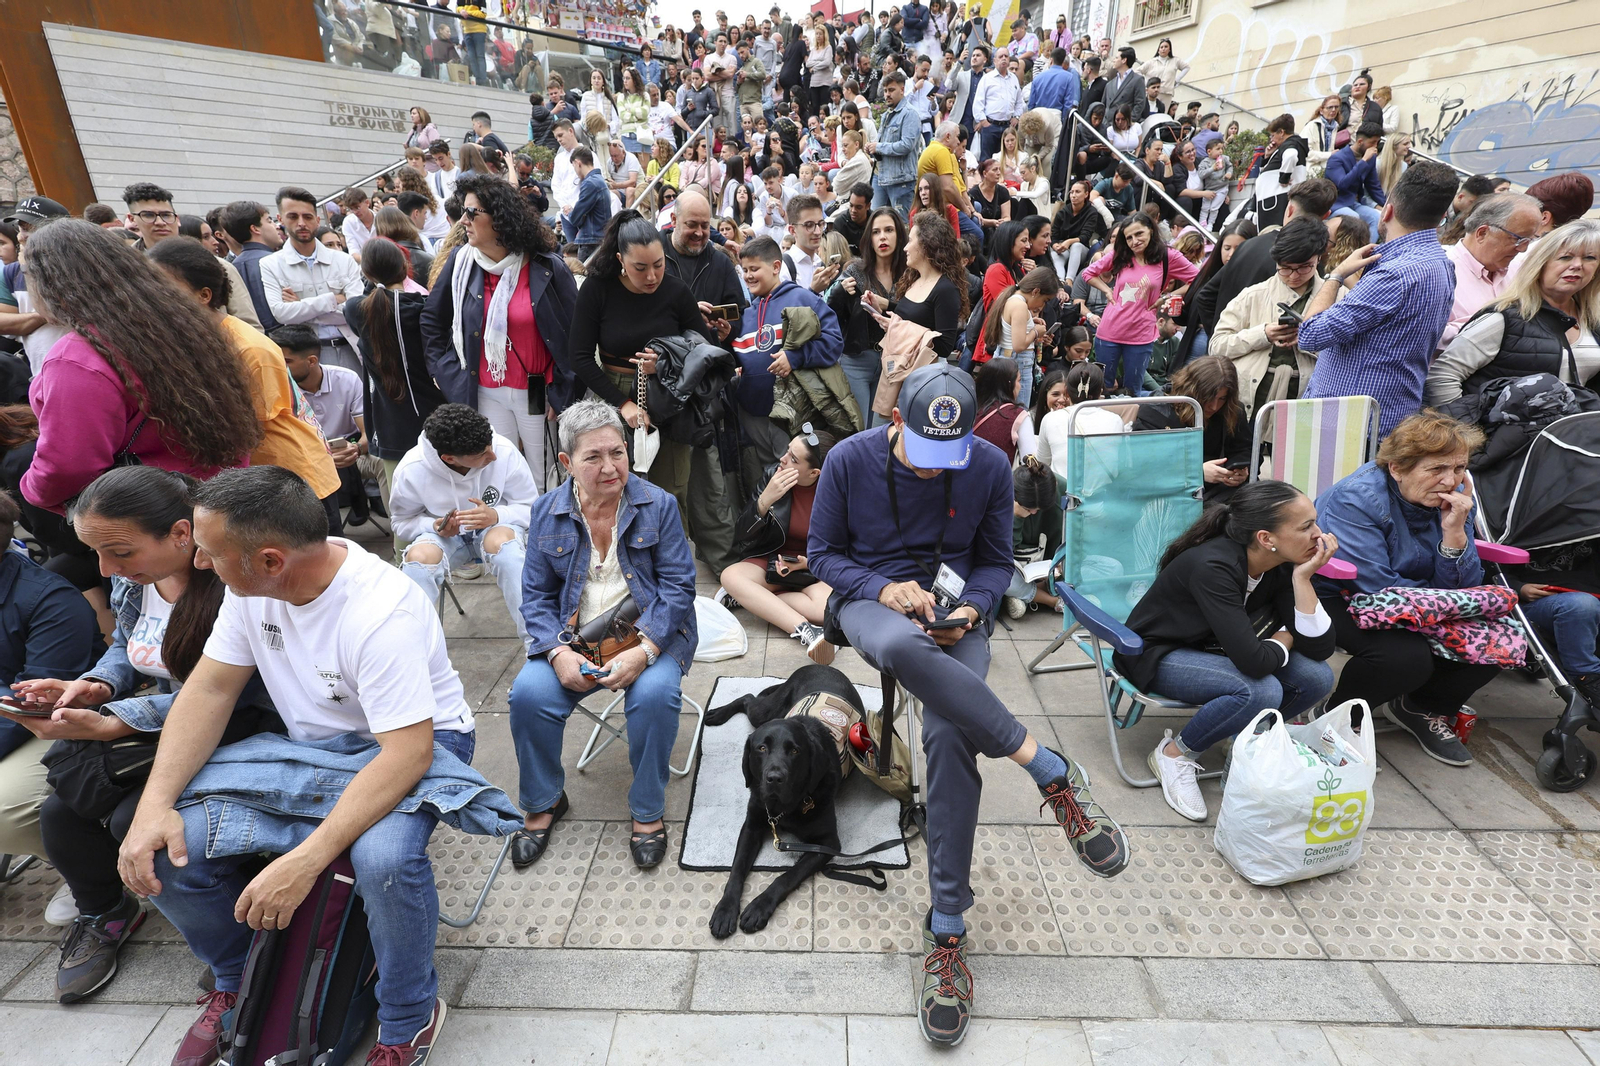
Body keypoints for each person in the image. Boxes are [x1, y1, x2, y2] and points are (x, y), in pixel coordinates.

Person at [117, 466, 486, 1066]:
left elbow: (408, 754)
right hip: (311, 749)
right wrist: (154, 808)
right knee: (161, 847)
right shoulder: (249, 590)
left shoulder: (378, 613)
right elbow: (208, 692)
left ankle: (409, 1015)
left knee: (384, 858)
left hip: (414, 742)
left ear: (269, 560)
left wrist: (306, 861)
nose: (202, 564)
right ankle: (245, 981)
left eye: (210, 552)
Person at [807, 362, 1128, 1048]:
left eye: (944, 459)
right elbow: (822, 555)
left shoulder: (985, 462)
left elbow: (993, 561)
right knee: (897, 646)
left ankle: (946, 930)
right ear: (896, 422)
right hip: (869, 604)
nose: (933, 471)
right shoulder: (847, 459)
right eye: (923, 454)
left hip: (955, 614)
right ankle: (1044, 765)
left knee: (951, 733)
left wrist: (975, 608)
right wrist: (881, 587)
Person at [17, 469, 277, 1001]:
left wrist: (119, 720)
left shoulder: (234, 584)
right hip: (159, 718)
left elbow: (232, 692)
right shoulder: (135, 580)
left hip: (239, 726)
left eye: (121, 552)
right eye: (97, 554)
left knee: (131, 820)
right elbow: (129, 647)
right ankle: (106, 910)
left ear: (183, 535)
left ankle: (240, 923)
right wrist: (94, 685)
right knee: (60, 813)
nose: (107, 569)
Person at [507, 400, 696, 871]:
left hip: (652, 634)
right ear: (567, 463)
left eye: (618, 453)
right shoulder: (546, 511)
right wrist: (556, 652)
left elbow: (679, 588)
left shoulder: (659, 505)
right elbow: (534, 596)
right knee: (528, 695)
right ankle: (544, 800)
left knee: (653, 696)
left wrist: (646, 651)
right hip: (576, 637)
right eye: (594, 457)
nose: (611, 467)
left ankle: (648, 811)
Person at [1118, 479, 1338, 820]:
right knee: (1258, 689)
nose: (1319, 535)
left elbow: (1321, 647)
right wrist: (1285, 634)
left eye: (1316, 522)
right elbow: (1254, 661)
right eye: (1306, 526)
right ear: (1267, 539)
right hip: (1158, 653)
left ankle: (1244, 738)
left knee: (1316, 677)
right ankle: (1175, 754)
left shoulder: (1281, 565)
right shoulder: (1214, 567)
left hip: (1216, 648)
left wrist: (1303, 580)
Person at [19, 221, 259, 517]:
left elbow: (69, 465)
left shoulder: (79, 357)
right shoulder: (183, 324)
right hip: (218, 502)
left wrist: (28, 486)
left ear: (46, 282)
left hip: (150, 519)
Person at [1314, 413, 1502, 767]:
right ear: (1398, 468)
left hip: (1423, 599)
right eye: (1437, 469)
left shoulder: (1458, 500)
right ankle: (1337, 716)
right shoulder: (1357, 498)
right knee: (1405, 657)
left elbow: (1467, 585)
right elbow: (1375, 586)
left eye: (1460, 467)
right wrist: (1445, 603)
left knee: (1496, 642)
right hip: (1339, 592)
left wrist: (1454, 533)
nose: (1451, 480)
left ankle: (1420, 706)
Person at [147, 239, 345, 528]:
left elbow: (246, 429)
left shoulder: (249, 349)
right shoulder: (192, 341)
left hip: (293, 481)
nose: (154, 298)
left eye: (165, 288)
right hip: (257, 482)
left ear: (203, 294)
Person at [420, 173, 578, 492]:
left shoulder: (546, 265)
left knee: (542, 472)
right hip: (484, 390)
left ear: (499, 219)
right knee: (499, 471)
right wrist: (446, 372)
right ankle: (510, 534)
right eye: (462, 211)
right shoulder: (461, 263)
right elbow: (432, 322)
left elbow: (574, 333)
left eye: (471, 212)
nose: (463, 220)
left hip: (536, 390)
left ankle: (545, 536)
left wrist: (561, 389)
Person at [1300, 162, 1461, 436]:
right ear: (1443, 215)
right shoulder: (1442, 264)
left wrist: (1336, 275)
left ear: (1388, 210)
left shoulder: (1394, 274)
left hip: (1348, 429)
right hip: (1388, 417)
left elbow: (1310, 334)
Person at [0, 490, 101, 910]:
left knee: (5, 807)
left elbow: (33, 706)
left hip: (57, 721)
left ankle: (88, 866)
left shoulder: (48, 599)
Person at [658, 189, 748, 575]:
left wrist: (727, 328)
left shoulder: (720, 261)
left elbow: (739, 315)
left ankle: (720, 559)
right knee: (667, 480)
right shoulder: (654, 255)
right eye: (691, 225)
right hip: (661, 382)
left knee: (709, 475)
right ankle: (671, 562)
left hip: (705, 386)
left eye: (705, 226)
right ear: (673, 221)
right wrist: (684, 314)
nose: (699, 233)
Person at [393, 403, 535, 641]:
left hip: (494, 530)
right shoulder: (412, 468)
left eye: (490, 446)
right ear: (449, 458)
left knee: (506, 548)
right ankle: (411, 650)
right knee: (417, 561)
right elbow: (401, 522)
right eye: (482, 455)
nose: (493, 455)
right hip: (443, 539)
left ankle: (538, 643)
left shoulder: (504, 450)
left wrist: (497, 515)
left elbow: (531, 507)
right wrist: (434, 526)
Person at [1427, 217, 1600, 407]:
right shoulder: (1504, 317)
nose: (1577, 265)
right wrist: (1467, 428)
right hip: (1503, 434)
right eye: (1565, 257)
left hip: (1570, 433)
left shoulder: (1593, 320)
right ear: (1540, 264)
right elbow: (1442, 376)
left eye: (1589, 258)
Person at [728, 234, 844, 485]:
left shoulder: (802, 298)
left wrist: (795, 357)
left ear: (776, 267)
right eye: (744, 269)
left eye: (755, 268)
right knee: (766, 481)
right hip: (754, 415)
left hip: (792, 419)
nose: (748, 275)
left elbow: (834, 342)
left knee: (794, 479)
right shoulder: (747, 313)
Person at [719, 428, 839, 662]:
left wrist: (809, 564)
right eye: (787, 451)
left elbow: (846, 548)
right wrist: (765, 501)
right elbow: (741, 534)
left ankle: (752, 599)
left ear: (814, 472)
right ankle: (807, 632)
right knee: (730, 576)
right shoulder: (773, 475)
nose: (782, 460)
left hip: (814, 566)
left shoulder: (837, 490)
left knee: (825, 610)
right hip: (774, 560)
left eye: (793, 459)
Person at [344, 238, 448, 488]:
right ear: (405, 268)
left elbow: (371, 303)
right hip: (435, 414)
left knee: (402, 505)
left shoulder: (355, 309)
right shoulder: (424, 307)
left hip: (388, 424)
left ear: (366, 272)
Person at [1209, 217, 1330, 418]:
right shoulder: (1253, 295)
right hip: (1249, 400)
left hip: (1307, 401)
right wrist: (1262, 334)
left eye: (1303, 267)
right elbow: (1217, 346)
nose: (1293, 276)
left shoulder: (1338, 296)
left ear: (1319, 258)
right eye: (1285, 268)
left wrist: (1309, 339)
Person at [1080, 213, 1198, 394]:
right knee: (1103, 388)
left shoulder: (1168, 256)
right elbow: (1088, 274)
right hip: (1109, 331)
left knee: (1133, 389)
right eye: (1129, 237)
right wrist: (1107, 290)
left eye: (1139, 234)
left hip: (1141, 334)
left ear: (1151, 230)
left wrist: (1167, 296)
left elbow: (1197, 279)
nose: (1134, 241)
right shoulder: (1120, 255)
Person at [261, 186, 366, 373]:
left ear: (317, 220)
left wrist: (301, 306)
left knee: (361, 401)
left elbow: (356, 311)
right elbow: (281, 313)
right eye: (293, 216)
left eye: (307, 217)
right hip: (306, 356)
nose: (301, 223)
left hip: (351, 348)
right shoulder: (270, 264)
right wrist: (333, 299)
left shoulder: (344, 260)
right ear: (281, 219)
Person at [1135, 356, 1252, 504]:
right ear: (1192, 391)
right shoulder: (1156, 410)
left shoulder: (1232, 410)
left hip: (1219, 490)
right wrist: (1197, 473)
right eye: (1208, 398)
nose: (1214, 406)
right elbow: (1143, 468)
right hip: (1171, 494)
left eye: (1222, 399)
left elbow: (1245, 448)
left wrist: (1239, 469)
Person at [1436, 192, 1544, 347]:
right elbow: (1421, 336)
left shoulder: (1519, 272)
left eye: (1530, 240)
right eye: (1518, 239)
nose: (1523, 249)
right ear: (1482, 233)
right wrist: (1490, 328)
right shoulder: (1439, 271)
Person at [831, 207, 906, 418]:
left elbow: (916, 314)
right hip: (857, 360)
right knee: (860, 428)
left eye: (889, 230)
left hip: (893, 362)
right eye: (876, 232)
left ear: (899, 235)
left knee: (880, 430)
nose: (882, 237)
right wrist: (839, 291)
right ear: (869, 238)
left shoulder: (910, 273)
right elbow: (831, 312)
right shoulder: (855, 270)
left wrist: (887, 304)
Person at [978, 267, 1057, 407]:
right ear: (1036, 292)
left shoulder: (1012, 298)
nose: (1043, 305)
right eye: (1045, 300)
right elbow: (1019, 345)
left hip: (1007, 358)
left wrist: (1031, 323)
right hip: (1017, 362)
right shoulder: (1020, 305)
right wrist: (1036, 332)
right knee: (1018, 411)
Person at [219, 200, 285, 332]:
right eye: (269, 220)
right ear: (255, 229)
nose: (276, 226)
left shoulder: (231, 267)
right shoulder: (276, 261)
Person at [870, 72, 922, 215]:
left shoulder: (910, 113)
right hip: (881, 177)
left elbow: (906, 145)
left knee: (902, 226)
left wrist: (879, 147)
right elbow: (883, 145)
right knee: (876, 222)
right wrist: (873, 149)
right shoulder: (887, 114)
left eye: (891, 90)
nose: (887, 94)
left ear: (902, 90)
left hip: (901, 181)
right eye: (885, 91)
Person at [1324, 122, 1386, 234]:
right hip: (1336, 204)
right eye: (1372, 142)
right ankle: (1350, 251)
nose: (1375, 146)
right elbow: (1342, 184)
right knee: (1354, 218)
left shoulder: (1370, 159)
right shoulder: (1337, 159)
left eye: (1377, 142)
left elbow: (1373, 186)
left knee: (1376, 218)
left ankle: (1366, 250)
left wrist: (1386, 205)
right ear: (1360, 141)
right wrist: (1363, 161)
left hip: (1354, 203)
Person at [1253, 115, 1309, 229]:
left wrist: (1284, 178)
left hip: (1276, 199)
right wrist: (1268, 156)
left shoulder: (1290, 144)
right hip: (1274, 198)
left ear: (1281, 132)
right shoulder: (1291, 145)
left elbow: (1291, 155)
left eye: (1273, 135)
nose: (1271, 139)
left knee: (1272, 232)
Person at [1138, 37, 1189, 111]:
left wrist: (1177, 80)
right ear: (1158, 50)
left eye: (1166, 47)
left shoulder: (1175, 60)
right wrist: (1145, 84)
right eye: (1161, 47)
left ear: (1169, 49)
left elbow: (1186, 67)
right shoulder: (1151, 62)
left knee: (1162, 115)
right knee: (1149, 111)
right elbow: (1138, 71)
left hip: (1166, 93)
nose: (1163, 49)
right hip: (1152, 93)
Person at [1102, 47, 1148, 124]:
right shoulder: (1110, 84)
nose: (1114, 60)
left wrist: (1127, 122)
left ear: (1124, 60)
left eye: (1116, 58)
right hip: (1107, 125)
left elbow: (1140, 104)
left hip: (1124, 126)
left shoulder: (1137, 80)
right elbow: (1103, 104)